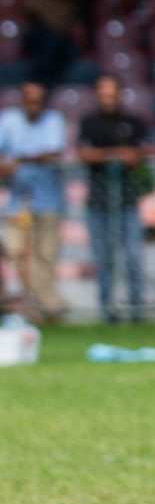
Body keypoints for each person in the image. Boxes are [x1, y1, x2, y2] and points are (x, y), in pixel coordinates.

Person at [78, 74, 150, 323]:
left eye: (112, 94)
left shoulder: (134, 122)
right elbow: (85, 155)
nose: (107, 99)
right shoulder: (88, 123)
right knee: (104, 259)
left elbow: (141, 154)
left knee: (133, 257)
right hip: (97, 203)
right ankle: (107, 310)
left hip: (128, 200)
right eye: (103, 94)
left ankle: (136, 310)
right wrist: (117, 153)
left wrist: (113, 155)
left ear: (120, 94)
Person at [0, 81, 68, 323]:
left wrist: (18, 160)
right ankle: (40, 304)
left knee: (45, 255)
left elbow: (53, 152)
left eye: (38, 101)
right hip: (18, 201)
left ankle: (44, 307)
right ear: (21, 100)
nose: (33, 106)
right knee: (16, 252)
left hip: (48, 201)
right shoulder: (8, 120)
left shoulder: (54, 120)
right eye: (29, 100)